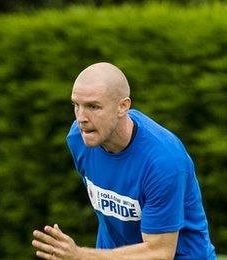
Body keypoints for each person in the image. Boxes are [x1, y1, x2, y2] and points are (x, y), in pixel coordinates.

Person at [32, 62, 216, 259]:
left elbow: (160, 252)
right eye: (76, 105)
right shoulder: (79, 138)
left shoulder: (163, 162)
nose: (81, 118)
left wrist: (82, 255)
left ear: (123, 106)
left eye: (94, 106)